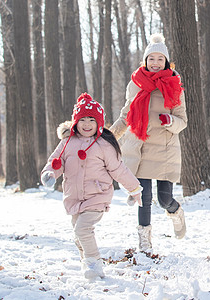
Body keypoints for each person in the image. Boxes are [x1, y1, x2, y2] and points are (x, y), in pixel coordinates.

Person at [41, 93, 142, 280]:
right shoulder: (66, 143)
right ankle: (86, 261)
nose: (87, 124)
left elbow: (118, 169)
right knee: (78, 234)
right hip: (74, 196)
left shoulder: (104, 145)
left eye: (91, 120)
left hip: (98, 195)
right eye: (83, 120)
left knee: (82, 230)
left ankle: (95, 264)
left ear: (99, 123)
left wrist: (134, 188)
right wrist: (50, 174)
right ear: (75, 122)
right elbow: (56, 162)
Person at [110, 33, 187, 256]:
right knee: (143, 198)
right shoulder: (134, 85)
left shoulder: (175, 86)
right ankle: (145, 240)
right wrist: (110, 135)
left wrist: (170, 121)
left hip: (164, 149)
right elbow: (126, 115)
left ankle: (176, 212)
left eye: (159, 59)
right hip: (140, 148)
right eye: (151, 59)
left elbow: (182, 121)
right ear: (145, 61)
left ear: (166, 62)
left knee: (164, 199)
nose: (155, 63)